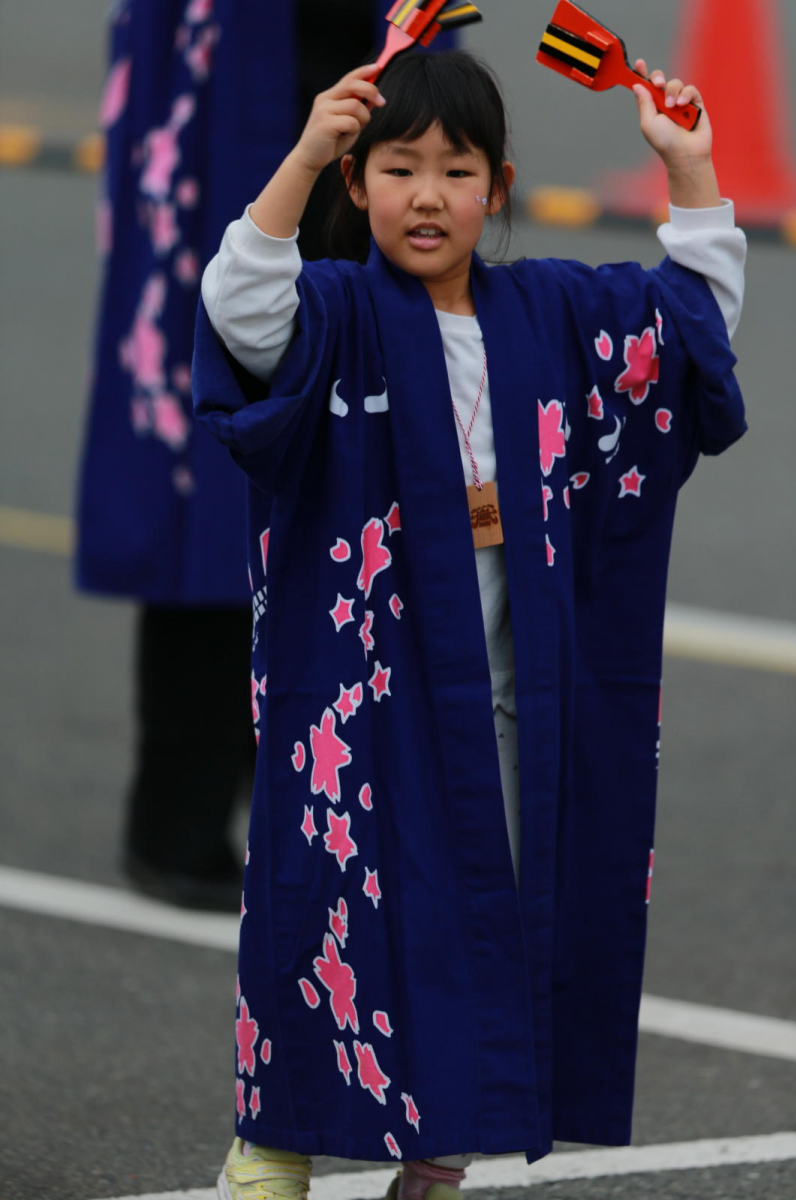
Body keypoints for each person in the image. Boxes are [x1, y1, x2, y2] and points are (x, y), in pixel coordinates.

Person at [193, 48, 746, 1200]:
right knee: (321, 922)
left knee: (484, 922)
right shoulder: (334, 310)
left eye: (457, 170)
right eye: (398, 169)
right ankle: (272, 1145)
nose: (428, 194)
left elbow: (685, 328)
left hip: (498, 700)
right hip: (355, 703)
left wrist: (688, 171)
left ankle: (433, 1165)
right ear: (359, 186)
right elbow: (242, 308)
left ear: (498, 187)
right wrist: (301, 150)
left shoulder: (548, 311)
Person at [75, 0, 384, 911]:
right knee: (210, 499)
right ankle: (178, 820)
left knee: (348, 500)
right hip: (221, 157)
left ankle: (305, 810)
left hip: (356, 164)